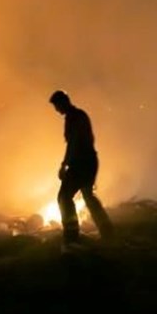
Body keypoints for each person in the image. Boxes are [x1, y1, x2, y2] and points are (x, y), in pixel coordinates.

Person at [49, 90, 115, 247]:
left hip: (82, 163)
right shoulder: (76, 116)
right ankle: (107, 231)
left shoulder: (75, 118)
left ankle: (71, 235)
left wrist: (65, 165)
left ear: (63, 102)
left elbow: (74, 143)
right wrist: (65, 163)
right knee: (88, 196)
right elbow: (73, 143)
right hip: (88, 161)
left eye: (57, 106)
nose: (57, 110)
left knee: (64, 197)